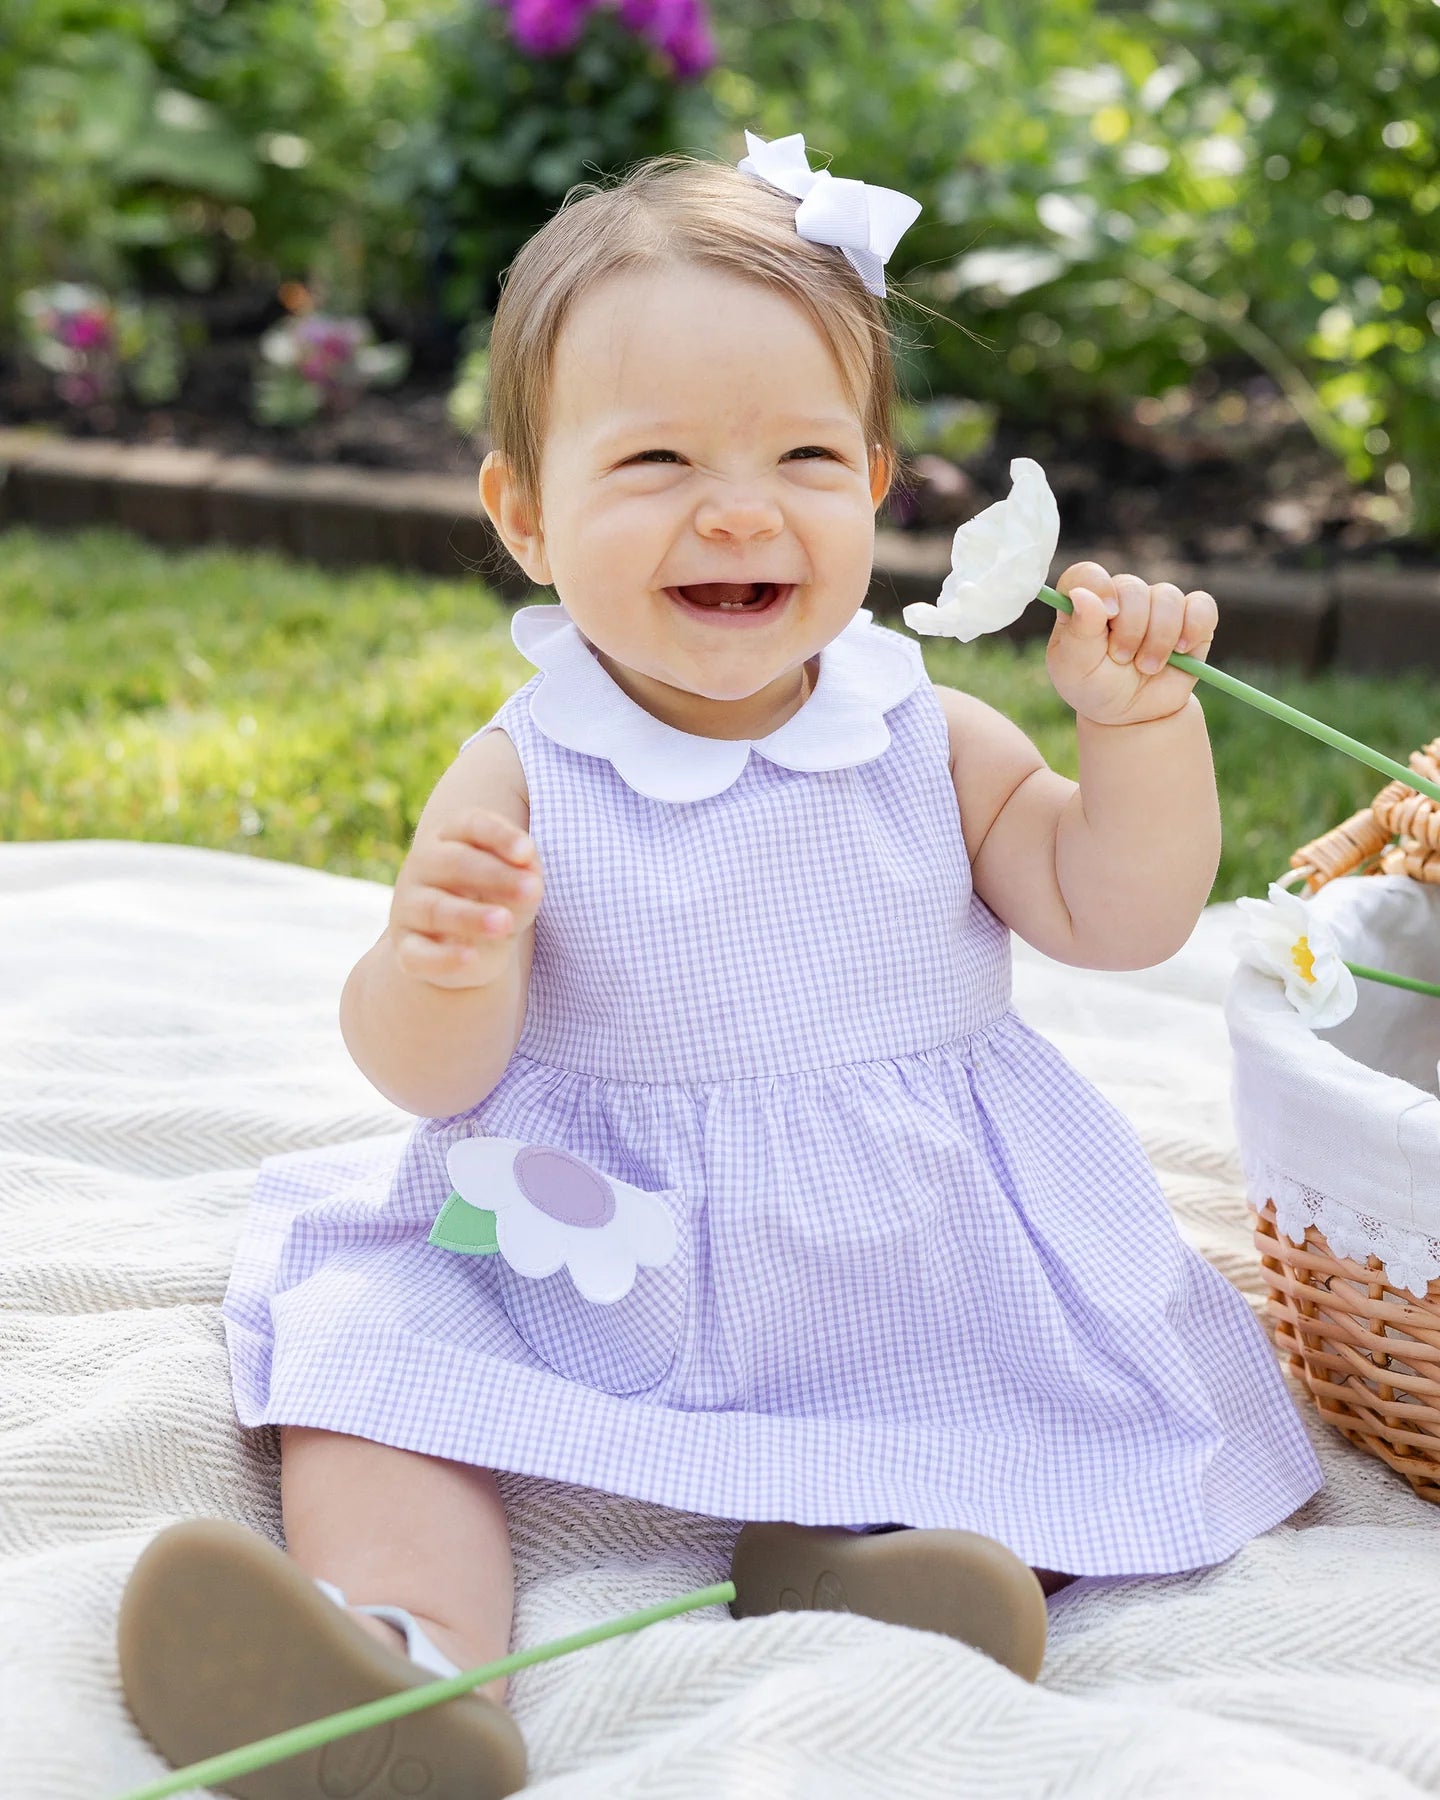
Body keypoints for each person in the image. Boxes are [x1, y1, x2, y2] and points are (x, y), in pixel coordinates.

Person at [116, 132, 1323, 1799]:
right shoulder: (528, 773)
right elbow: (424, 1075)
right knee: (374, 1367)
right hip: (573, 1227)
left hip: (897, 1244)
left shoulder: (934, 738)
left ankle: (856, 1561)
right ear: (524, 516)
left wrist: (1136, 739)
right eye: (660, 460)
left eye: (804, 455)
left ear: (878, 489)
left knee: (1027, 1408)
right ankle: (402, 1658)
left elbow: (1121, 917)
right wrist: (443, 958)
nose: (739, 507)